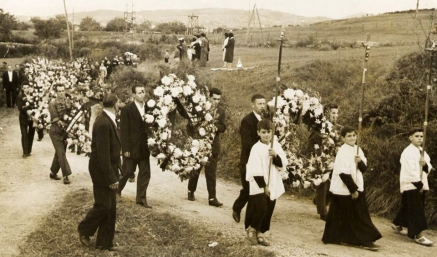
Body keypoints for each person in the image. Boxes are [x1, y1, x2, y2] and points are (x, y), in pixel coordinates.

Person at [322, 126, 381, 251]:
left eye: (354, 135)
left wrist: (359, 161)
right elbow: (343, 173)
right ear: (343, 138)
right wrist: (353, 190)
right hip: (345, 188)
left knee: (349, 214)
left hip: (356, 184)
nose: (352, 138)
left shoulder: (358, 149)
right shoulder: (343, 151)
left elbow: (364, 169)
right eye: (349, 136)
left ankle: (341, 237)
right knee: (352, 215)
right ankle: (360, 239)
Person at [78, 93, 121, 252]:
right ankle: (84, 229)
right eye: (119, 103)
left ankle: (104, 242)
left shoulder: (107, 119)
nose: (120, 106)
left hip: (108, 167)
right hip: (102, 169)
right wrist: (111, 177)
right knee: (103, 205)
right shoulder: (103, 123)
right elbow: (102, 154)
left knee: (110, 206)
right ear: (115, 105)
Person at [244, 119, 288, 246]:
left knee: (269, 208)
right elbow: (255, 168)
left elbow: (282, 164)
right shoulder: (256, 148)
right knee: (260, 207)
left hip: (272, 181)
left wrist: (275, 156)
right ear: (258, 133)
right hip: (260, 184)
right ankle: (252, 229)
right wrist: (263, 186)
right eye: (263, 132)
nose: (267, 135)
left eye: (269, 132)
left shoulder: (276, 145)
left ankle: (260, 232)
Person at [391, 128, 433, 246]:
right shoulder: (407, 152)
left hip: (421, 183)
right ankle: (417, 234)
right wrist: (418, 184)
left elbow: (429, 167)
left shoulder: (422, 151)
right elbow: (410, 170)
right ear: (410, 138)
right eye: (416, 136)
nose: (419, 138)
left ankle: (398, 223)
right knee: (416, 209)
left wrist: (425, 165)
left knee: (409, 205)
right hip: (411, 183)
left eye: (421, 136)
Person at [187, 88, 226, 207]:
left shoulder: (221, 111)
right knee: (196, 169)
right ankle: (191, 191)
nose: (216, 101)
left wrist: (214, 127)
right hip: (199, 143)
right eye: (214, 99)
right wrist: (192, 137)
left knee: (211, 172)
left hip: (213, 145)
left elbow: (223, 127)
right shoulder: (200, 108)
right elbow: (190, 124)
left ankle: (212, 198)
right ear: (208, 97)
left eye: (218, 99)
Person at [232, 94, 266, 223]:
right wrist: (262, 146)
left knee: (260, 189)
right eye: (259, 104)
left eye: (264, 103)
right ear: (253, 105)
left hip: (263, 160)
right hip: (248, 160)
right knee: (248, 189)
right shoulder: (247, 121)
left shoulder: (267, 120)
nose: (262, 106)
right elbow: (246, 143)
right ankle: (237, 208)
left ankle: (257, 216)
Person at [118, 85, 152, 208]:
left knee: (145, 172)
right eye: (139, 92)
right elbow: (124, 131)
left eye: (143, 92)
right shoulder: (127, 109)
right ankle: (116, 191)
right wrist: (125, 149)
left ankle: (141, 199)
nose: (142, 94)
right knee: (127, 172)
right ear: (133, 95)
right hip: (131, 148)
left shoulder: (149, 108)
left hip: (144, 147)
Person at [306, 103, 340, 221]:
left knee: (333, 182)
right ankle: (323, 211)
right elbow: (310, 142)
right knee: (322, 184)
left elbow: (338, 141)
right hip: (320, 157)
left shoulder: (337, 128)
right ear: (326, 113)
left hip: (333, 158)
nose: (335, 116)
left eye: (336, 113)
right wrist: (311, 156)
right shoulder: (319, 126)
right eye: (332, 113)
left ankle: (319, 201)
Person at [48, 84, 73, 185]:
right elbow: (55, 119)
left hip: (64, 131)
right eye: (59, 91)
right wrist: (67, 124)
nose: (61, 93)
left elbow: (72, 113)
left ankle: (53, 172)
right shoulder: (52, 103)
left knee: (59, 152)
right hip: (55, 131)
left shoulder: (68, 102)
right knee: (61, 152)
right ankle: (66, 175)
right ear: (56, 92)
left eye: (63, 90)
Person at [16, 82, 36, 157]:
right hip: (23, 117)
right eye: (25, 88)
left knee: (31, 133)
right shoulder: (20, 96)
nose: (26, 89)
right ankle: (25, 151)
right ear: (22, 88)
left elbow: (35, 104)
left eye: (27, 87)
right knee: (24, 134)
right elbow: (20, 108)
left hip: (32, 118)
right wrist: (29, 106)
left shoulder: (33, 95)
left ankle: (29, 150)